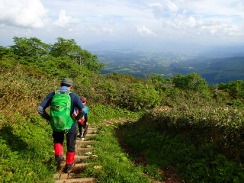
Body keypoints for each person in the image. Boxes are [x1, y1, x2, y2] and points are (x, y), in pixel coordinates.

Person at [37, 78, 85, 173]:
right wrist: (76, 118)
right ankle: (69, 166)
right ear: (71, 86)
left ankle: (59, 158)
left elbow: (40, 109)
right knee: (70, 145)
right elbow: (83, 110)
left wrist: (49, 118)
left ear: (60, 84)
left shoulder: (52, 94)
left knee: (58, 140)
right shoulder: (73, 96)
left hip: (56, 124)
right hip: (70, 125)